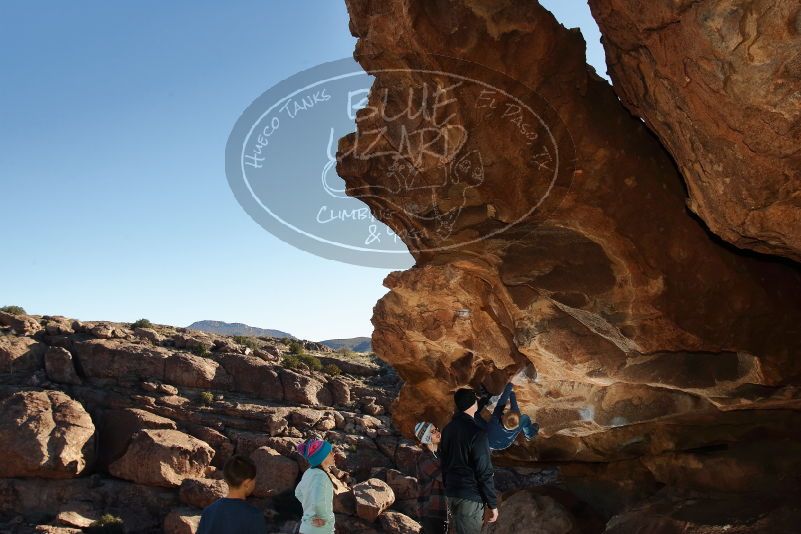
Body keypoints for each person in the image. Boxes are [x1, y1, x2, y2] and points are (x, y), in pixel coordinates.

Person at [439, 388, 498, 534]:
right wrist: (492, 504)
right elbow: (484, 471)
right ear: (474, 403)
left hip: (451, 493)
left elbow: (444, 463)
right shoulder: (477, 433)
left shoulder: (447, 429)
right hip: (470, 496)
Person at [197, 455, 268, 534]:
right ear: (247, 483)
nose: (255, 482)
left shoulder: (209, 511)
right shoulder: (254, 516)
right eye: (254, 479)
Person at [475, 382, 539, 451]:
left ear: (502, 417)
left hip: (488, 440)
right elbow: (514, 404)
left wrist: (509, 386)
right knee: (525, 418)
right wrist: (511, 394)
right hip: (504, 444)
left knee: (474, 415)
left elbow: (502, 401)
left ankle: (485, 397)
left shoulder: (495, 419)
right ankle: (530, 434)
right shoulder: (517, 418)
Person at [295, 438, 336, 534]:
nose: (334, 454)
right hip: (321, 529)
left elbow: (298, 493)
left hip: (305, 528)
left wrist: (309, 509)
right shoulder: (321, 476)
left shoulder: (309, 472)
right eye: (330, 452)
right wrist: (326, 519)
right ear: (323, 457)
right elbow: (318, 503)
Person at [414, 421, 448, 534]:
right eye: (433, 432)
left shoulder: (439, 455)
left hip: (441, 510)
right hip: (430, 511)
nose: (438, 432)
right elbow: (446, 478)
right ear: (426, 437)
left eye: (437, 429)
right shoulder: (425, 458)